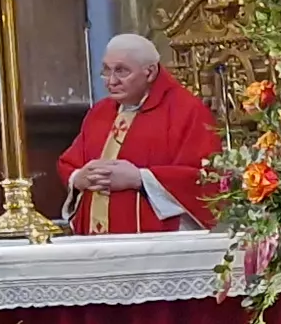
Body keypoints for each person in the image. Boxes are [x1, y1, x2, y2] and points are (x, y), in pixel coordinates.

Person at [58, 33, 222, 233]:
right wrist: (78, 179)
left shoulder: (186, 110)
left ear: (150, 72)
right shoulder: (100, 112)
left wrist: (139, 178)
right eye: (106, 70)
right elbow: (70, 163)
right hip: (96, 241)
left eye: (121, 71)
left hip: (158, 242)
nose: (111, 81)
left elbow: (206, 178)